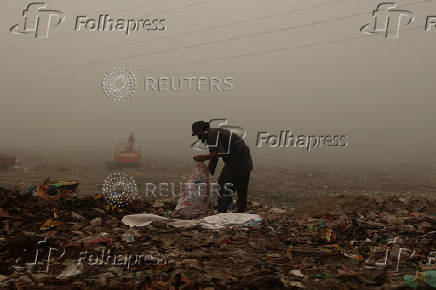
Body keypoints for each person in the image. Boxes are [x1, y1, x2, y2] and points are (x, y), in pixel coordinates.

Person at [191, 121, 253, 213]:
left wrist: (203, 157)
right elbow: (214, 155)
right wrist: (208, 170)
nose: (197, 136)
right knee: (241, 187)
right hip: (243, 160)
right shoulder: (212, 134)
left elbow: (219, 152)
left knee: (224, 182)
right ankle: (240, 212)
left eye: (197, 133)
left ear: (201, 130)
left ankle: (222, 211)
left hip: (238, 159)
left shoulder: (212, 135)